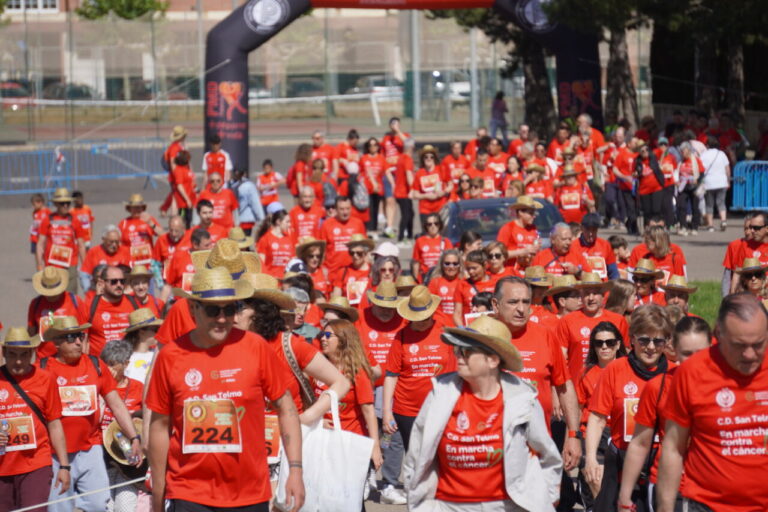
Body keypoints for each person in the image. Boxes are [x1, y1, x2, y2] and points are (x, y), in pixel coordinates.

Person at [146, 267, 305, 512]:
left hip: (249, 493)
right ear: (193, 309)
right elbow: (159, 427)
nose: (222, 318)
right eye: (213, 310)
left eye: (230, 309)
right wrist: (158, 492)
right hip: (189, 491)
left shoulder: (256, 348)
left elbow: (287, 409)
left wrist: (295, 469)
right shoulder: (170, 356)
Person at [403, 315, 562, 512]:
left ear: (492, 360)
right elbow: (416, 454)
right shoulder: (441, 393)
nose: (458, 356)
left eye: (467, 351)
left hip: (506, 506)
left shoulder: (522, 398)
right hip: (447, 506)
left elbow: (548, 456)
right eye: (457, 350)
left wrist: (544, 498)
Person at [657, 293, 768, 512]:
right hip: (706, 504)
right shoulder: (693, 372)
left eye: (758, 344)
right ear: (718, 334)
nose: (749, 355)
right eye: (739, 345)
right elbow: (673, 448)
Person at [42, 316, 142, 512]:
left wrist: (134, 436)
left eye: (80, 336)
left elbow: (117, 404)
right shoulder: (44, 368)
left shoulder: (95, 364)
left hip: (90, 448)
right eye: (71, 337)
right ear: (57, 343)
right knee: (59, 508)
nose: (79, 341)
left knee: (98, 505)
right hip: (55, 453)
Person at [618, 316, 712, 512]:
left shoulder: (726, 386)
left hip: (712, 487)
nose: (694, 360)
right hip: (669, 487)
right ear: (673, 350)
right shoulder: (658, 387)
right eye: (687, 353)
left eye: (700, 353)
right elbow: (640, 443)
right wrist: (625, 497)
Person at [585, 305, 672, 511]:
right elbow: (597, 418)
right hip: (620, 464)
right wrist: (590, 459)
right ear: (632, 339)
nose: (651, 347)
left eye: (658, 340)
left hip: (660, 467)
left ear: (666, 342)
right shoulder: (616, 369)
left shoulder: (675, 374)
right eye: (644, 340)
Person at [0, 328, 71, 512]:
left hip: (36, 463)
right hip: (2, 467)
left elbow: (55, 424)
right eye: (12, 355)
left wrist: (64, 465)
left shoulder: (45, 379)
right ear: (4, 353)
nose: (18, 361)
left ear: (32, 354)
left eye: (24, 355)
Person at [316, 319, 382, 505]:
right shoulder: (318, 367)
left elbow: (369, 411)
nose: (323, 339)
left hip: (350, 443)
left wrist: (375, 448)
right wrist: (318, 421)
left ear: (343, 339)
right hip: (322, 443)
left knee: (350, 501)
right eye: (322, 335)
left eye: (329, 335)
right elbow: (307, 403)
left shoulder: (357, 370)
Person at [383, 286, 456, 451]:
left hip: (440, 407)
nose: (423, 321)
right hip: (408, 410)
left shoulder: (445, 331)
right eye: (418, 317)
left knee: (440, 455)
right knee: (414, 456)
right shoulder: (401, 336)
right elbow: (391, 375)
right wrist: (387, 412)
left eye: (426, 317)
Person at [98, 339, 147, 511]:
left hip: (128, 459)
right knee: (104, 506)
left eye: (113, 364)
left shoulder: (139, 388)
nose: (108, 369)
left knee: (125, 507)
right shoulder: (97, 387)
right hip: (102, 457)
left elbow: (148, 420)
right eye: (105, 364)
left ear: (126, 363)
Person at [556, 272, 630, 381]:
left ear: (603, 296)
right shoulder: (567, 321)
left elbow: (625, 354)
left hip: (612, 383)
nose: (591, 298)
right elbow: (561, 358)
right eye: (586, 293)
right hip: (578, 385)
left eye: (595, 293)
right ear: (581, 296)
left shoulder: (618, 320)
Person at [36, 188, 87, 293]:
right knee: (52, 295)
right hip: (52, 265)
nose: (66, 206)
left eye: (68, 203)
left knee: (71, 296)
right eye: (62, 203)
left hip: (70, 265)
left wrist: (85, 266)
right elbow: (40, 244)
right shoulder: (47, 220)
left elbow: (81, 245)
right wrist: (40, 265)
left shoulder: (75, 220)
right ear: (56, 204)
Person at [80, 265, 139, 356]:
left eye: (122, 281)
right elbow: (83, 339)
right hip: (100, 364)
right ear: (102, 283)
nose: (119, 285)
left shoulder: (133, 303)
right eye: (114, 282)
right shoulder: (89, 305)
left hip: (129, 362)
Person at [27, 266, 82, 357]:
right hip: (43, 359)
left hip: (69, 358)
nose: (51, 295)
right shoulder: (35, 303)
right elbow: (31, 333)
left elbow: (84, 331)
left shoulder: (75, 301)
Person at [320, 196, 367, 274]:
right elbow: (321, 250)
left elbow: (365, 248)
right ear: (336, 209)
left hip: (353, 271)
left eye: (347, 208)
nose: (345, 212)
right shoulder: (327, 224)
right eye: (342, 209)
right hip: (332, 271)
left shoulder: (358, 223)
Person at [80, 225, 131, 291]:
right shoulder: (93, 252)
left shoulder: (125, 251)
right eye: (111, 241)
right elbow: (85, 275)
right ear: (103, 239)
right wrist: (88, 291)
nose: (114, 245)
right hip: (100, 290)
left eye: (117, 242)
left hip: (121, 290)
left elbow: (133, 273)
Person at [120, 193, 166, 267]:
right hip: (131, 262)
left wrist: (151, 223)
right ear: (129, 209)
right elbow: (119, 243)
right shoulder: (124, 223)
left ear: (143, 208)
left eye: (139, 207)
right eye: (134, 207)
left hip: (148, 262)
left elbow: (164, 236)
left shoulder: (149, 220)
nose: (137, 210)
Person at [412, 145, 451, 229]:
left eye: (431, 157)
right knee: (427, 234)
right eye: (426, 157)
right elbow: (415, 194)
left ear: (434, 158)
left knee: (442, 233)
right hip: (425, 209)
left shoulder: (441, 169)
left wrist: (444, 192)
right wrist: (426, 196)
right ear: (423, 158)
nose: (428, 159)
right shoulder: (419, 173)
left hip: (440, 207)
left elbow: (450, 185)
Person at [454, 250, 495, 326]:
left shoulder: (496, 283)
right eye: (468, 268)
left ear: (485, 265)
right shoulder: (462, 284)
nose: (471, 272)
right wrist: (464, 331)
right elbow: (457, 314)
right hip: (471, 329)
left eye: (474, 268)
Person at [573, 213, 619, 280]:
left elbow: (613, 272)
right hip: (582, 287)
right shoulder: (573, 246)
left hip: (603, 286)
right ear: (581, 228)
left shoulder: (605, 245)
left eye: (594, 230)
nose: (591, 233)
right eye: (588, 229)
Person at [497, 195, 542, 263]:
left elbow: (535, 250)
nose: (534, 216)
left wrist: (537, 249)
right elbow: (499, 254)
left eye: (534, 213)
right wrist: (523, 251)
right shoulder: (508, 228)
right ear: (521, 213)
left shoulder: (533, 228)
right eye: (531, 213)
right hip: (511, 270)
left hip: (528, 268)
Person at [331, 234, 374, 305]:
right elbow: (336, 297)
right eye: (352, 253)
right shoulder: (343, 272)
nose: (355, 256)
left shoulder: (372, 271)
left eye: (359, 253)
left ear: (365, 253)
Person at [700, 136, 731, 232]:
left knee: (709, 204)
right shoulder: (721, 154)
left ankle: (710, 225)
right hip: (722, 182)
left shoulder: (704, 155)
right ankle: (723, 220)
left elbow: (701, 169)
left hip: (709, 183)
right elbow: (727, 169)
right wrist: (728, 180)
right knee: (721, 203)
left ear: (707, 145)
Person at [123, 307, 161, 383]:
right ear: (142, 332)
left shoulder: (158, 354)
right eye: (155, 330)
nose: (159, 333)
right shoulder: (127, 359)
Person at [411, 214, 452, 282]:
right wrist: (416, 280)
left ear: (440, 225)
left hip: (441, 276)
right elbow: (416, 262)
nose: (433, 226)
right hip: (425, 277)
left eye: (436, 223)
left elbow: (451, 262)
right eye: (429, 224)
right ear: (426, 226)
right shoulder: (420, 241)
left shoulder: (446, 241)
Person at [255, 210, 294, 279]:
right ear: (278, 222)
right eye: (287, 222)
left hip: (286, 280)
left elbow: (292, 260)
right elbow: (261, 264)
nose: (289, 224)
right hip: (271, 280)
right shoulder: (265, 239)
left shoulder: (289, 239)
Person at [633, 141, 664, 222]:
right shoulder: (637, 161)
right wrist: (636, 173)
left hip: (656, 187)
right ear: (639, 153)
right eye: (642, 151)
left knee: (656, 209)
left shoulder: (653, 157)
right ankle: (649, 228)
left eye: (646, 150)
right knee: (647, 211)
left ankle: (658, 227)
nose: (645, 152)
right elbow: (633, 172)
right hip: (644, 190)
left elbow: (663, 150)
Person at [428, 249, 462, 321]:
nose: (451, 267)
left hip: (460, 326)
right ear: (441, 265)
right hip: (440, 325)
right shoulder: (435, 282)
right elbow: (430, 307)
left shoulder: (464, 282)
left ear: (459, 265)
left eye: (455, 263)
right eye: (447, 263)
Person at [230, 168, 265, 236]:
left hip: (234, 219)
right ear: (244, 174)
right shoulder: (249, 185)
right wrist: (261, 218)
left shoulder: (230, 185)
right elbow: (255, 203)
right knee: (245, 242)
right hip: (246, 219)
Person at [395, 139, 416, 242]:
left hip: (399, 191)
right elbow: (409, 175)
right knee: (407, 215)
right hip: (404, 192)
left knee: (410, 213)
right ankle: (402, 237)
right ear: (411, 148)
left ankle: (409, 235)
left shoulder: (400, 158)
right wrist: (413, 189)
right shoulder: (408, 159)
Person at [169, 150, 197, 227]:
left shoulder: (187, 168)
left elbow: (192, 182)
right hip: (183, 202)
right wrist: (187, 199)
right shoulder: (178, 170)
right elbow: (179, 185)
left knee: (189, 220)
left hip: (190, 198)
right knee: (183, 221)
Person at [29, 192, 51, 267]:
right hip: (34, 237)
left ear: (40, 202)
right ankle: (39, 270)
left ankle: (47, 270)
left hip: (44, 237)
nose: (33, 206)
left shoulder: (47, 211)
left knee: (45, 254)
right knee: (37, 255)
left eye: (34, 204)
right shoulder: (35, 212)